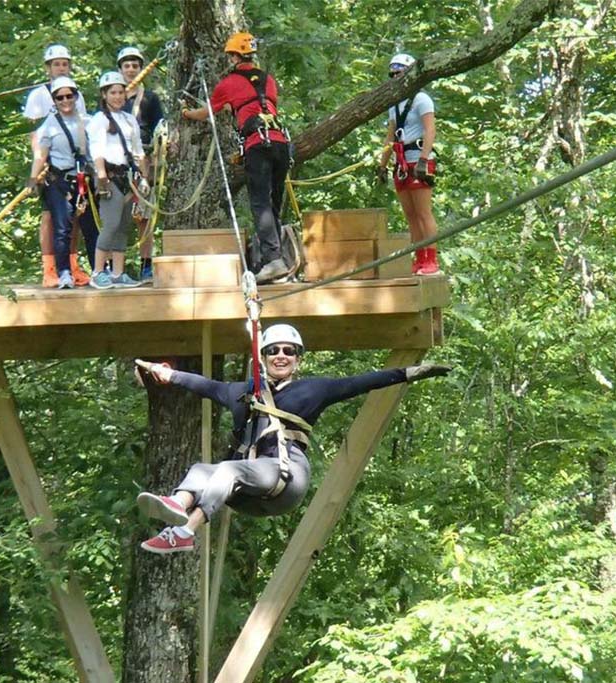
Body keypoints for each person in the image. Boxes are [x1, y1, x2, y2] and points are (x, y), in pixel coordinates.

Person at [133, 323, 452, 554]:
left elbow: (362, 382)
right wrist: (163, 373)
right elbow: (202, 384)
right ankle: (177, 504)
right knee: (202, 469)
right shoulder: (242, 392)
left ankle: (185, 531)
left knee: (227, 469)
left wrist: (410, 372)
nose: (281, 356)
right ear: (264, 357)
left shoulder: (313, 390)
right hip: (249, 490)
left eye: (288, 351)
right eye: (273, 351)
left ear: (298, 359)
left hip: (287, 476)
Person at [182, 32, 292, 284]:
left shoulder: (228, 83)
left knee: (260, 203)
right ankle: (276, 259)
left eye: (229, 55)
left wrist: (187, 113)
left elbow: (207, 112)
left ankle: (274, 261)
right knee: (274, 203)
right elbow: (259, 104)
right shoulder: (269, 80)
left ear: (234, 56)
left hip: (257, 144)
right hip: (279, 142)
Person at [24, 44, 94, 286]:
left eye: (65, 63)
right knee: (49, 217)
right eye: (56, 64)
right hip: (49, 164)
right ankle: (49, 267)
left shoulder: (77, 94)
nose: (61, 68)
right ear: (48, 68)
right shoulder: (39, 96)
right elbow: (34, 133)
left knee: (74, 216)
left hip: (75, 167)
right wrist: (39, 168)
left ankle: (72, 265)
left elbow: (83, 127)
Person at [376, 53, 440, 275]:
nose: (395, 77)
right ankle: (418, 257)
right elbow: (390, 136)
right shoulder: (394, 104)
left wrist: (424, 159)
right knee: (410, 215)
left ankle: (431, 259)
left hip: (418, 159)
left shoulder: (422, 99)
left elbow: (430, 129)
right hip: (401, 164)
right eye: (392, 73)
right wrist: (382, 165)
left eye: (399, 72)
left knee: (423, 213)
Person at [88, 71, 148, 289]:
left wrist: (144, 177)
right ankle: (97, 271)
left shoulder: (129, 119)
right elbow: (97, 148)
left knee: (123, 225)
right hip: (109, 176)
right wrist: (101, 174)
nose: (117, 97)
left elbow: (137, 150)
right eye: (113, 92)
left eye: (121, 92)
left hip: (127, 176)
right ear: (104, 95)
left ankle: (118, 273)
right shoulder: (99, 120)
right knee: (111, 224)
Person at [118, 46, 166, 283]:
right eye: (126, 66)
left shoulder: (150, 98)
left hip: (144, 158)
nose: (131, 70)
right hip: (117, 159)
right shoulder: (112, 96)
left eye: (135, 66)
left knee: (144, 215)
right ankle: (113, 266)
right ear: (120, 69)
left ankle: (146, 264)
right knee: (117, 212)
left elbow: (160, 127)